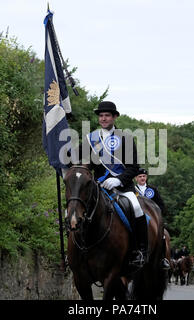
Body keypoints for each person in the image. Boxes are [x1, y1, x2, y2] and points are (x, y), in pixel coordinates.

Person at [72, 101, 147, 267]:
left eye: (107, 115)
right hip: (99, 187)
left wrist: (119, 179)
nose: (103, 119)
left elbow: (133, 167)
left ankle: (140, 250)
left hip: (123, 187)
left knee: (136, 208)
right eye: (101, 116)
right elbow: (77, 158)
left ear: (114, 117)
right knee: (78, 207)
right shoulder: (91, 139)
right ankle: (78, 250)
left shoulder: (125, 138)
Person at [135, 167, 170, 269]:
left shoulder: (153, 190)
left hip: (152, 218)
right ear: (136, 178)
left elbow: (162, 205)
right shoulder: (132, 190)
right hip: (137, 217)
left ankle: (163, 258)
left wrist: (157, 216)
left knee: (162, 235)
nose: (142, 178)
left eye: (144, 176)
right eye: (140, 176)